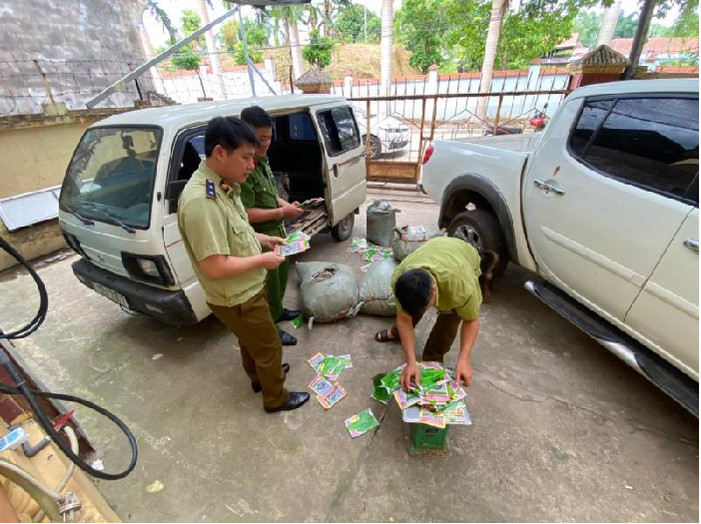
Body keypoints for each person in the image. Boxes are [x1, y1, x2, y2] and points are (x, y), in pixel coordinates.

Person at [177, 116, 309, 413]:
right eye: (246, 157)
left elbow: (235, 229)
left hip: (243, 289)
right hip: (237, 295)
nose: (252, 165)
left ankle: (259, 378)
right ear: (220, 152)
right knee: (270, 345)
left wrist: (262, 239)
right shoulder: (202, 200)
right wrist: (262, 260)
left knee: (252, 342)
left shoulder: (224, 184)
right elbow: (214, 266)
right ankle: (276, 397)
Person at [374, 236, 499, 391]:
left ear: (434, 289)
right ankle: (396, 333)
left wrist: (464, 358)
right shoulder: (400, 279)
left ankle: (432, 360)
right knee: (408, 313)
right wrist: (411, 362)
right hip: (437, 248)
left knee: (448, 323)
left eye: (426, 307)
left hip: (462, 257)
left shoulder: (460, 288)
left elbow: (471, 320)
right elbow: (404, 319)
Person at [240, 106, 305, 347]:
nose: (266, 142)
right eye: (261, 138)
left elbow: (269, 194)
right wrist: (282, 212)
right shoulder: (245, 167)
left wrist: (288, 206)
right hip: (261, 239)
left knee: (279, 279)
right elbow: (244, 214)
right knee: (266, 288)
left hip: (277, 233)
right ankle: (272, 330)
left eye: (269, 137)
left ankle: (278, 313)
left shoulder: (262, 160)